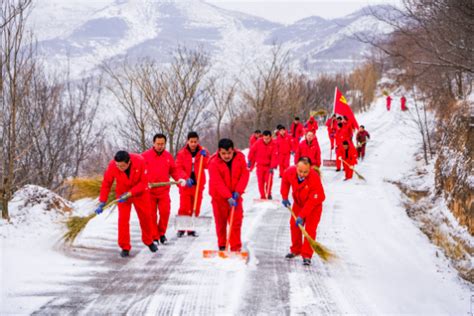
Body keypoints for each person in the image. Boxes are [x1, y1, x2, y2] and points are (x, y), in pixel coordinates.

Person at [96, 150, 157, 257]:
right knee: (123, 220)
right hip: (122, 195)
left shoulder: (140, 161)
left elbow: (144, 183)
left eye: (122, 166)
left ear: (129, 162)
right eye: (117, 165)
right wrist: (102, 201)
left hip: (140, 193)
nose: (119, 168)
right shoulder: (113, 166)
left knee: (146, 218)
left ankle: (148, 241)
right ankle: (125, 247)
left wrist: (129, 193)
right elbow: (106, 183)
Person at [142, 134, 186, 244]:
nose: (160, 146)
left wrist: (179, 180)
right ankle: (155, 236)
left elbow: (174, 171)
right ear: (153, 143)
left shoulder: (168, 156)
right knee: (151, 215)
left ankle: (162, 233)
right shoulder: (145, 156)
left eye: (162, 144)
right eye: (158, 144)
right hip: (150, 192)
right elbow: (138, 171)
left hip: (163, 191)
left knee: (165, 212)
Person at [281, 157, 326, 266]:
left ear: (310, 169)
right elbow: (285, 181)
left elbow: (312, 201)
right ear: (296, 167)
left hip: (314, 206)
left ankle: (306, 255)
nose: (302, 174)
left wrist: (302, 216)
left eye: (305, 172)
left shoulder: (314, 178)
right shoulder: (290, 172)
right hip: (299, 203)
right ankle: (296, 250)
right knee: (294, 225)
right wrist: (284, 196)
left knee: (309, 229)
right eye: (300, 171)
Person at [208, 138, 250, 251]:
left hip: (236, 197)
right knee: (220, 223)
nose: (227, 156)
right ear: (219, 151)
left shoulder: (240, 158)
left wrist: (238, 191)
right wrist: (227, 196)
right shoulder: (213, 163)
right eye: (223, 153)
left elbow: (244, 175)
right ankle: (222, 246)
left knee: (235, 223)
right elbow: (217, 182)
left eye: (229, 153)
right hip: (219, 198)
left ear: (233, 150)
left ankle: (235, 247)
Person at [175, 131, 210, 237]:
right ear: (188, 141)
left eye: (195, 141)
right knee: (184, 207)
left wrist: (206, 157)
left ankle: (191, 229)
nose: (193, 144)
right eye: (191, 141)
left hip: (198, 184)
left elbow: (207, 165)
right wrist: (186, 178)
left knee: (196, 207)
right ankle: (181, 228)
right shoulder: (182, 153)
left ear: (198, 141)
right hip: (186, 184)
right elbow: (178, 168)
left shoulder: (203, 152)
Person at [248, 130, 278, 199]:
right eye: (264, 138)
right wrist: (249, 160)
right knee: (260, 182)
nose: (266, 140)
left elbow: (274, 156)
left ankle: (269, 194)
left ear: (270, 137)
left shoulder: (274, 144)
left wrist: (272, 166)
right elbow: (252, 150)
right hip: (260, 166)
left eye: (267, 139)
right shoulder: (258, 142)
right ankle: (262, 196)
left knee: (269, 181)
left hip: (268, 167)